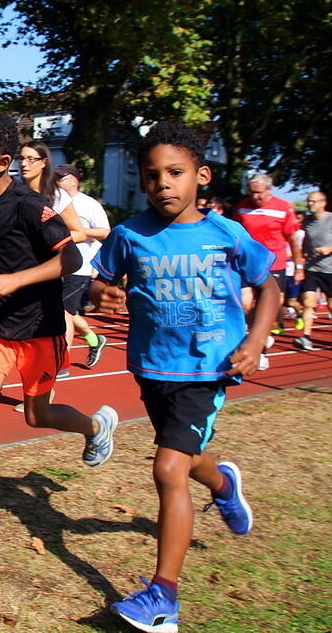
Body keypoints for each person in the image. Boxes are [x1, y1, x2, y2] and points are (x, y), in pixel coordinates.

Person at [90, 121, 278, 633]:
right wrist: (99, 295)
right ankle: (222, 482)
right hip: (153, 369)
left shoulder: (225, 233)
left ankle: (163, 598)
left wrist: (255, 341)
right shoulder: (129, 234)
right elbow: (100, 283)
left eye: (175, 173)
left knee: (168, 469)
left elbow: (270, 286)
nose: (163, 184)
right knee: (187, 459)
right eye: (151, 176)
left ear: (201, 175)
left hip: (206, 370)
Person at [0, 111, 117, 543]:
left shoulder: (32, 205)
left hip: (39, 327)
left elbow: (70, 259)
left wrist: (15, 280)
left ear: (1, 162)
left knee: (37, 415)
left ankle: (95, 427)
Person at [19, 141, 87, 380]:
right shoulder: (15, 193)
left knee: (42, 332)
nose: (24, 164)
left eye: (31, 159)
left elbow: (79, 232)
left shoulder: (56, 196)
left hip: (49, 271)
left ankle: (46, 385)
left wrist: (49, 241)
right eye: (22, 158)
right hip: (21, 271)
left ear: (44, 163)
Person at [53, 164, 111, 369]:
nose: (56, 182)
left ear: (73, 181)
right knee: (62, 310)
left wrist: (80, 231)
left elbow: (105, 232)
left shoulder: (89, 204)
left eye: (60, 178)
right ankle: (95, 340)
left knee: (65, 313)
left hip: (80, 266)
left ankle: (62, 363)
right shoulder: (53, 202)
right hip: (56, 265)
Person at [234, 172, 303, 338]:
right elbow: (234, 235)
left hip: (274, 263)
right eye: (252, 192)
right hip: (247, 263)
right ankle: (255, 334)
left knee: (272, 303)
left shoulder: (283, 208)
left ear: (269, 190)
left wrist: (299, 266)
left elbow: (293, 239)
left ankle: (260, 338)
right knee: (245, 304)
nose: (255, 196)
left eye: (259, 192)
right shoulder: (242, 207)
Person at [296, 191, 332, 351]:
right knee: (308, 302)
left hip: (329, 269)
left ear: (323, 203)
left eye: (313, 202)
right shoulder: (308, 222)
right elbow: (305, 240)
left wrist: (329, 249)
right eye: (309, 201)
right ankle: (306, 337)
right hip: (312, 267)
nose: (310, 204)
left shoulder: (331, 219)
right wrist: (302, 256)